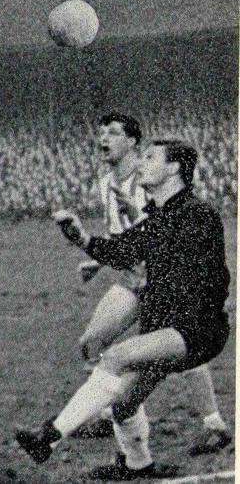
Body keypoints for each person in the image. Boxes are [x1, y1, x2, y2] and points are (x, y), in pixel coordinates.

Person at [16, 139, 231, 479]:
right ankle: (138, 464)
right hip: (170, 328)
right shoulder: (162, 215)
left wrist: (152, 293)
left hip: (196, 329)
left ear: (173, 168)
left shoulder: (195, 213)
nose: (141, 163)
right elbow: (123, 250)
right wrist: (81, 238)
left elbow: (206, 279)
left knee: (115, 357)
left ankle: (49, 437)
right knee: (124, 403)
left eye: (150, 157)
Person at [74, 113, 230, 455]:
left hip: (159, 279)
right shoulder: (106, 182)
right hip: (133, 275)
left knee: (177, 339)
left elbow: (162, 233)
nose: (103, 139)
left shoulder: (148, 180)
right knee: (94, 341)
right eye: (101, 133)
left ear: (132, 142)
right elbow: (128, 239)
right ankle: (112, 409)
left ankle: (211, 423)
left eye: (113, 133)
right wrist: (98, 260)